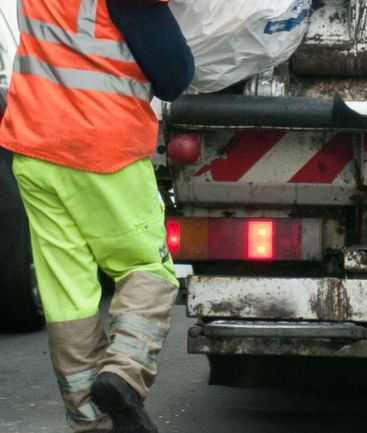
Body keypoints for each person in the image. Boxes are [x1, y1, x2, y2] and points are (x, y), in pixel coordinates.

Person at [0, 0, 193, 432]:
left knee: (68, 295)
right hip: (103, 149)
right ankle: (124, 373)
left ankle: (91, 420)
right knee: (149, 269)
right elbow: (174, 74)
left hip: (33, 146)